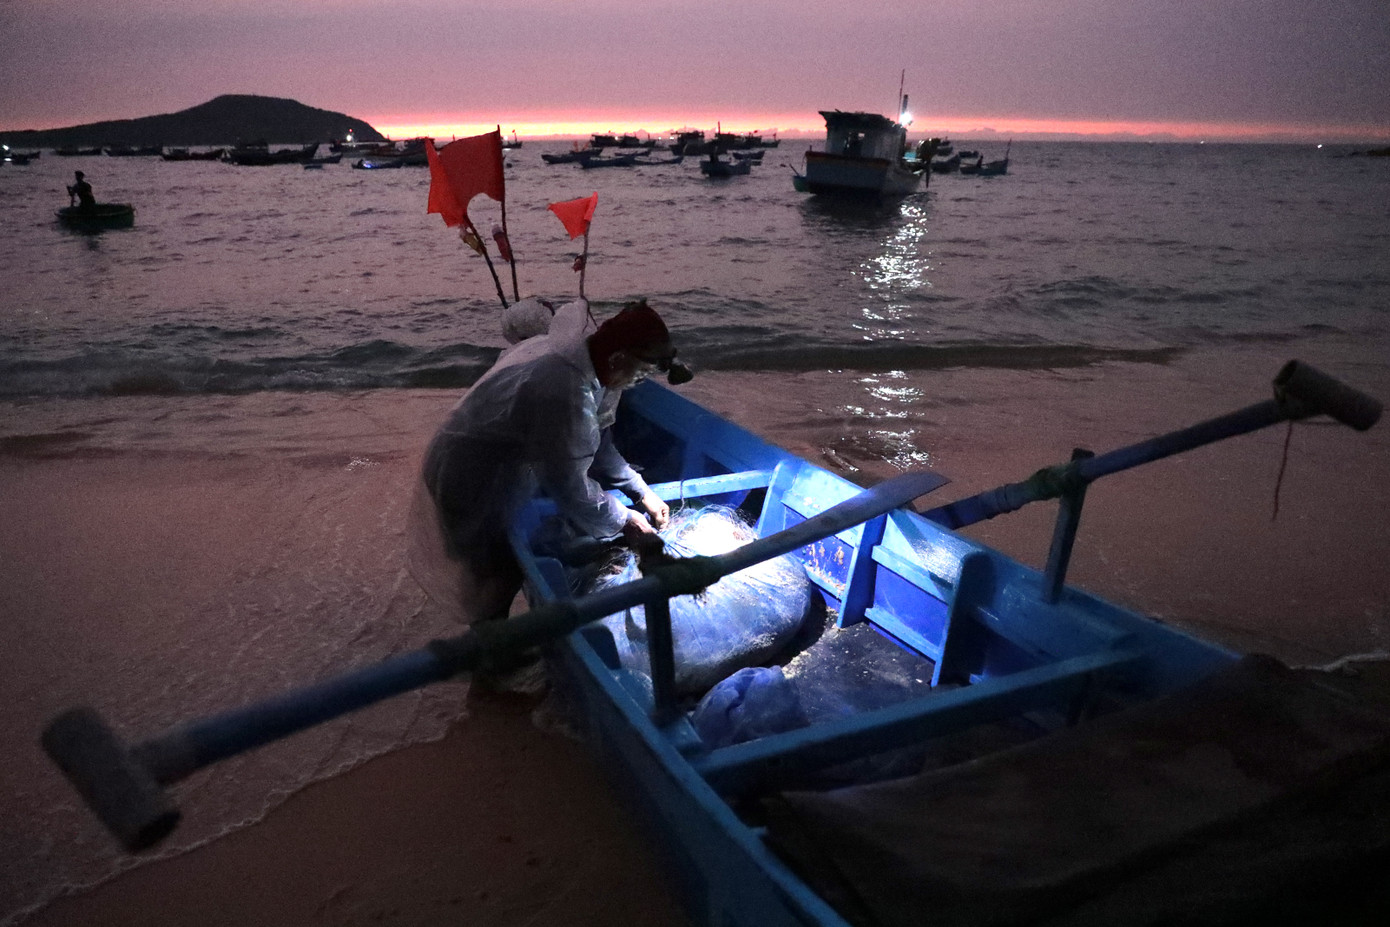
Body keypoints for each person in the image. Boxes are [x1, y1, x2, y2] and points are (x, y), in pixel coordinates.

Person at [412, 298, 685, 626]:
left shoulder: (586, 361)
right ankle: (493, 648)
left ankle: (505, 641)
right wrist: (626, 520)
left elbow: (597, 443)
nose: (635, 383)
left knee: (506, 561)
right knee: (490, 573)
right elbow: (569, 486)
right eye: (639, 375)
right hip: (468, 474)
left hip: (497, 463)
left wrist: (641, 491)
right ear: (617, 359)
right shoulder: (563, 389)